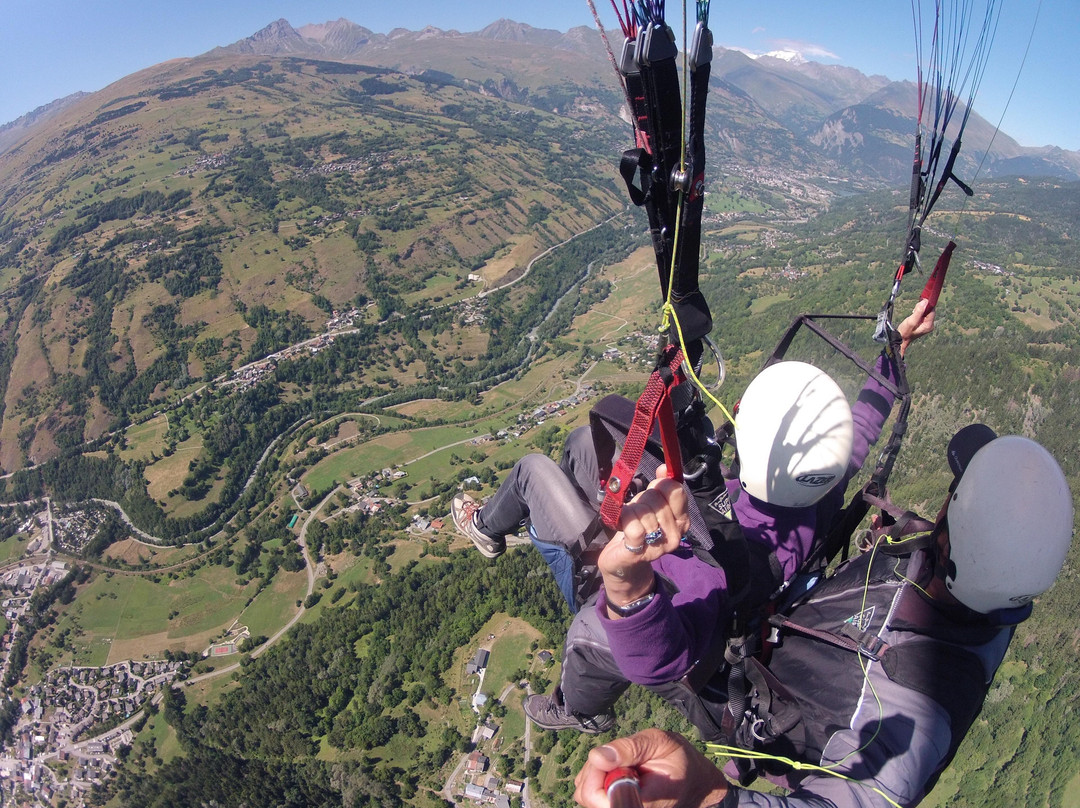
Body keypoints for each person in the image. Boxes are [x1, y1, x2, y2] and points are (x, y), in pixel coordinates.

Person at [572, 428, 1074, 808]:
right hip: (779, 657)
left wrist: (709, 797)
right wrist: (892, 350)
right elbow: (852, 445)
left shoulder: (914, 717)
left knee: (591, 633)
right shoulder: (989, 588)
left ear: (949, 536)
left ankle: (575, 708)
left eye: (954, 493)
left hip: (752, 708)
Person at [513, 301, 936, 736]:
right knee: (586, 442)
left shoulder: (720, 564)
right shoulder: (821, 493)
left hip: (628, 587)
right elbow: (863, 424)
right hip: (668, 551)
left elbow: (663, 662)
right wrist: (897, 345)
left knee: (531, 473)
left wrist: (625, 585)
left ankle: (578, 708)